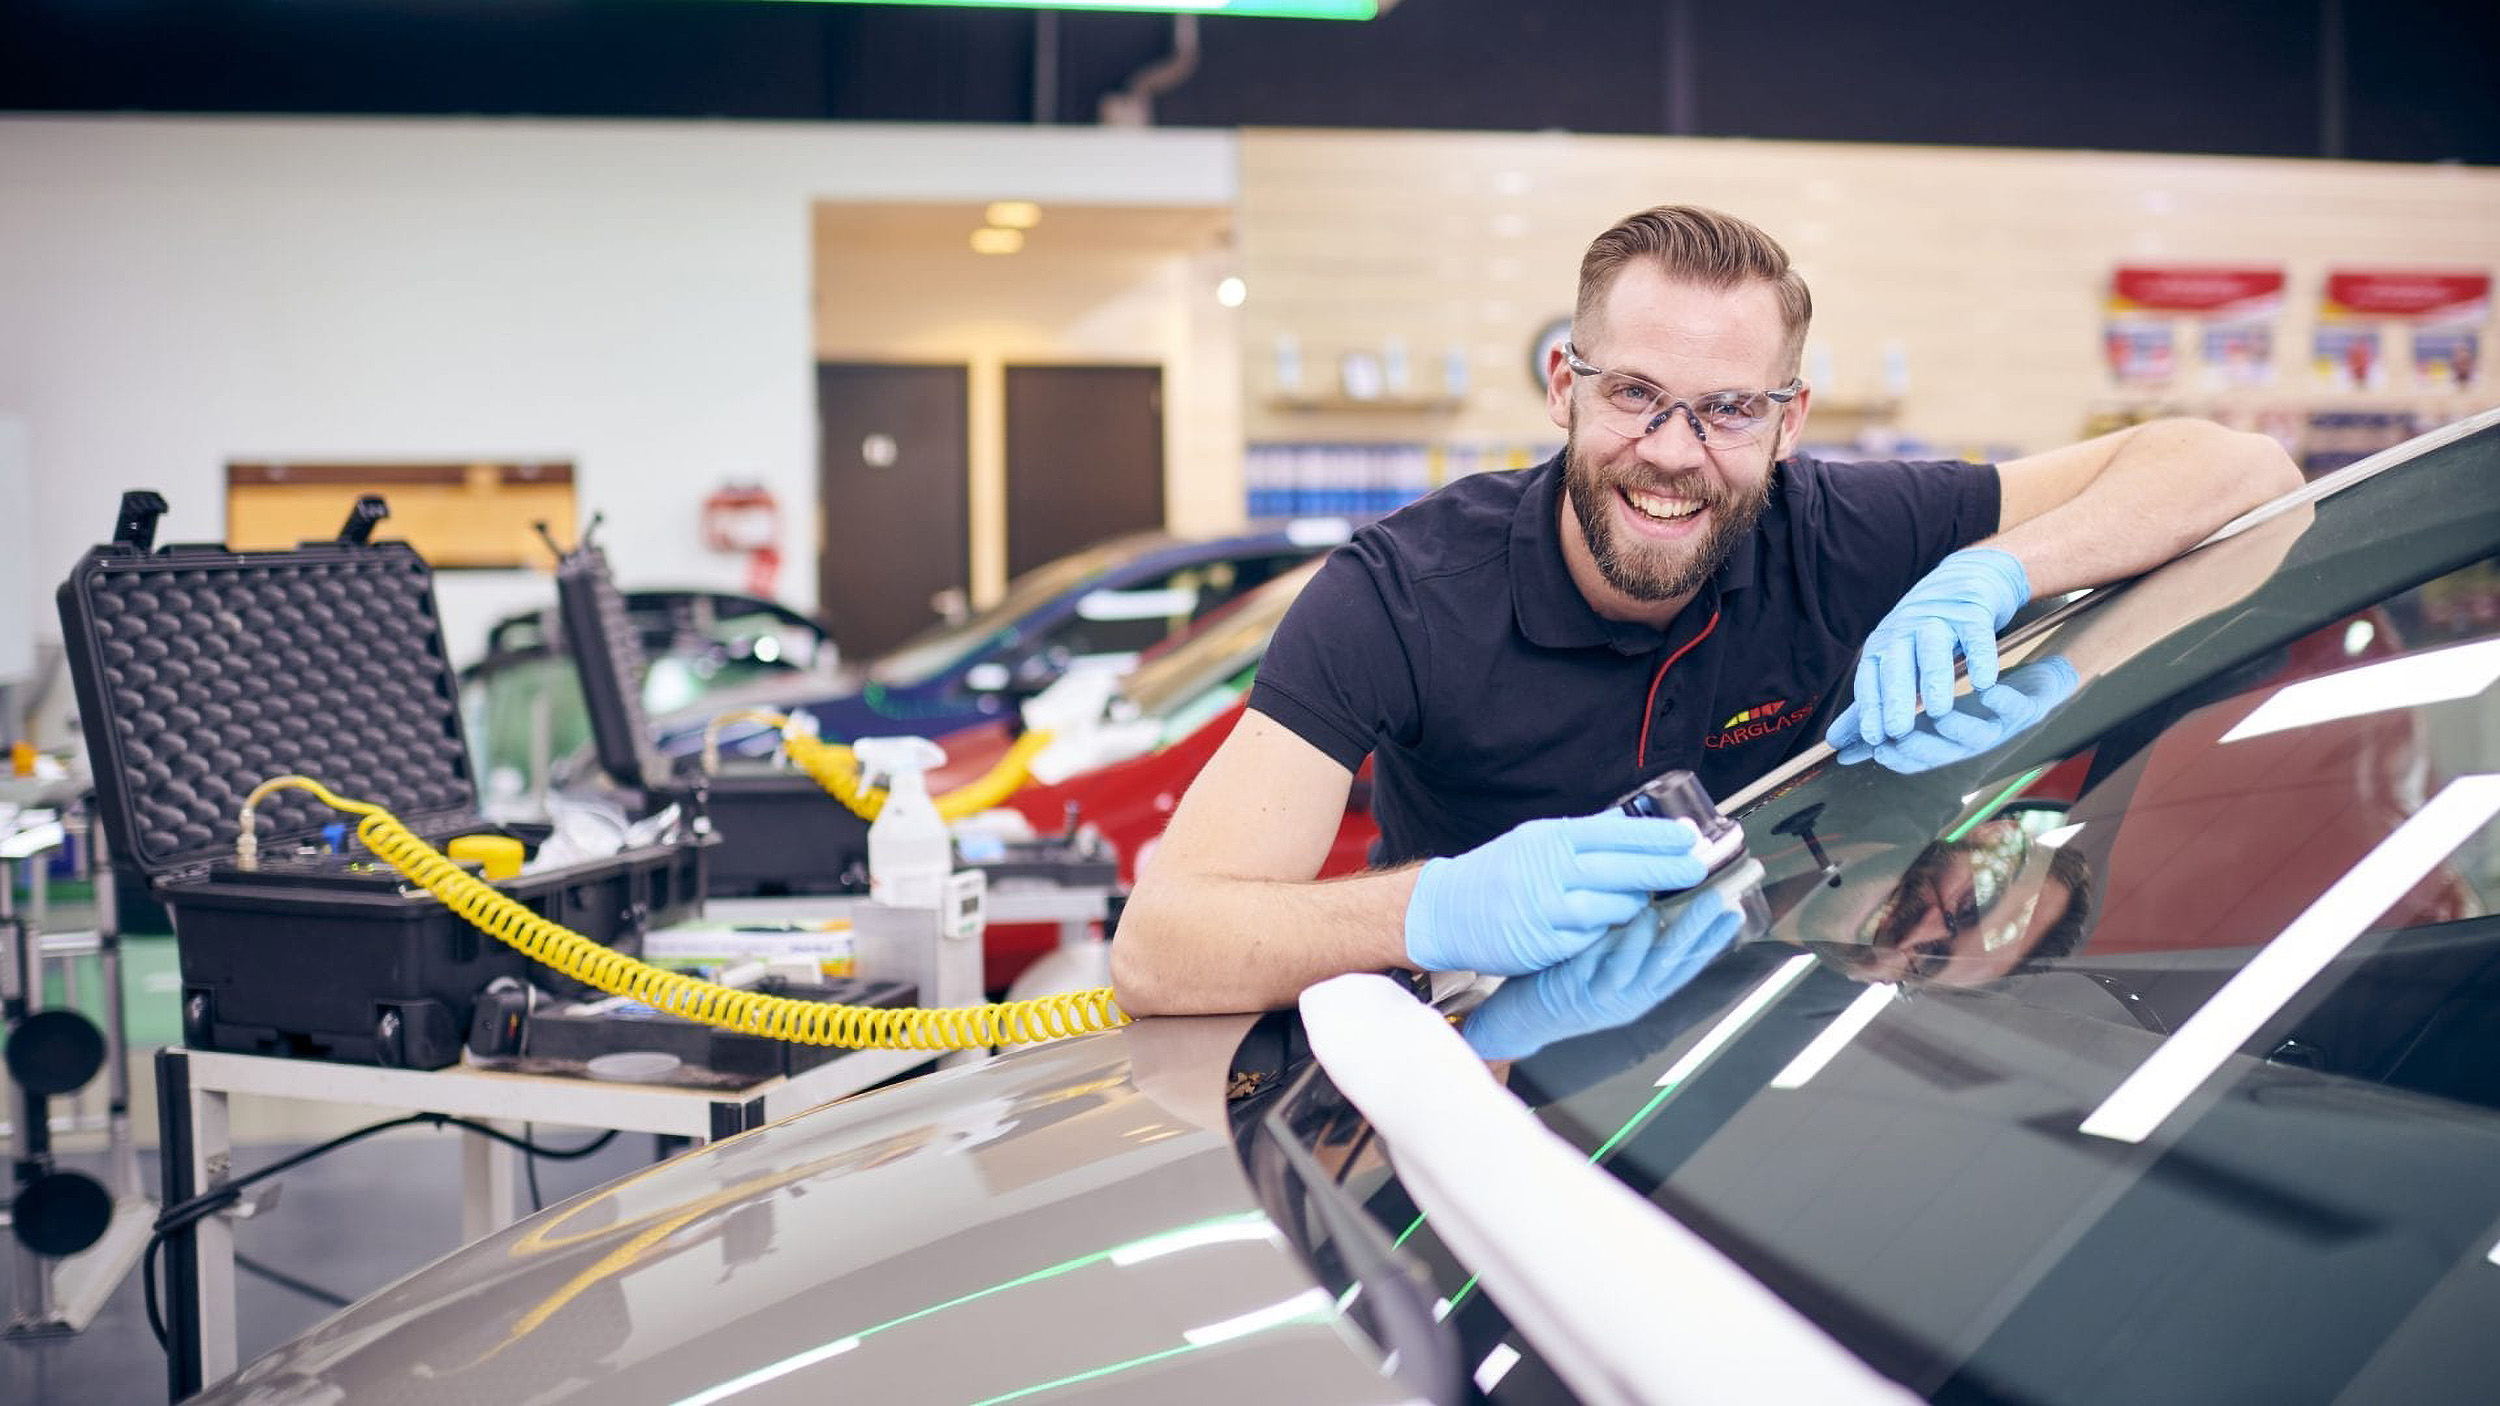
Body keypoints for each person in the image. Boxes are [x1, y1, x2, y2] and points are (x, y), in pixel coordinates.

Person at [1114, 203, 2301, 1017]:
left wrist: (1999, 570)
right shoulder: (1400, 595)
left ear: (1788, 423)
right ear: (1561, 390)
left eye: (1727, 409)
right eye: (1634, 392)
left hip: (1748, 1054)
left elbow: (2239, 469)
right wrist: (1435, 907)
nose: (1672, 454)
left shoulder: (1838, 531)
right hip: (1475, 1080)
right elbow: (1163, 947)